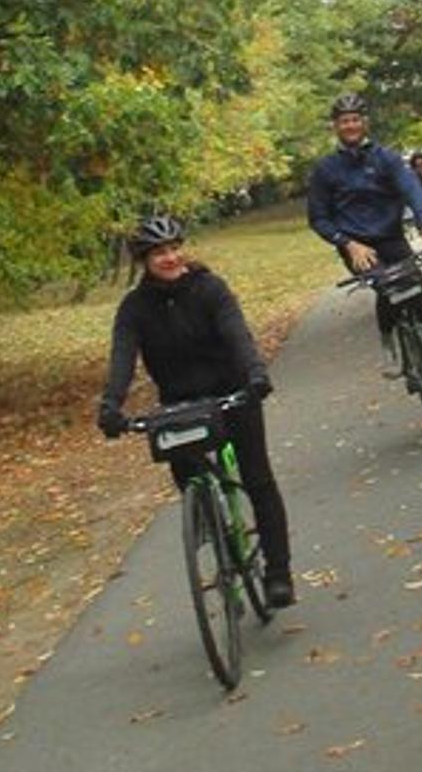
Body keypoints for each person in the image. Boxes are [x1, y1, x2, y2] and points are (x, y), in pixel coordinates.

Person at [94, 215, 295, 608]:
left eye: (173, 248)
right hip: (181, 405)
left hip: (232, 394)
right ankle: (218, 539)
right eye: (158, 253)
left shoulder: (209, 289)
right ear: (143, 261)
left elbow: (237, 333)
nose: (169, 258)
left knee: (258, 480)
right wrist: (111, 404)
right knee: (191, 479)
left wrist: (254, 375)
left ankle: (277, 574)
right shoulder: (134, 308)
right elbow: (122, 356)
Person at [306, 93, 422, 412]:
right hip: (358, 247)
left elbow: (411, 187)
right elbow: (318, 217)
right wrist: (346, 242)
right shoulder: (326, 170)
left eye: (356, 119)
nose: (351, 125)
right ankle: (390, 340)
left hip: (392, 239)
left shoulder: (385, 158)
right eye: (344, 121)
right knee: (386, 287)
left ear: (364, 122)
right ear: (335, 127)